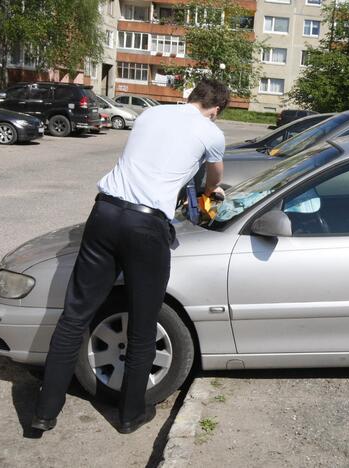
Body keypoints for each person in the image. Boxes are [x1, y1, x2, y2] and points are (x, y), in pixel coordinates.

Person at [31, 78, 230, 434]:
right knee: (142, 324)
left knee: (74, 316)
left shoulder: (151, 115)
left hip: (105, 213)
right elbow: (214, 177)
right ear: (215, 110)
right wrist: (211, 190)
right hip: (146, 227)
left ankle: (44, 412)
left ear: (191, 97)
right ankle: (129, 415)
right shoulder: (211, 133)